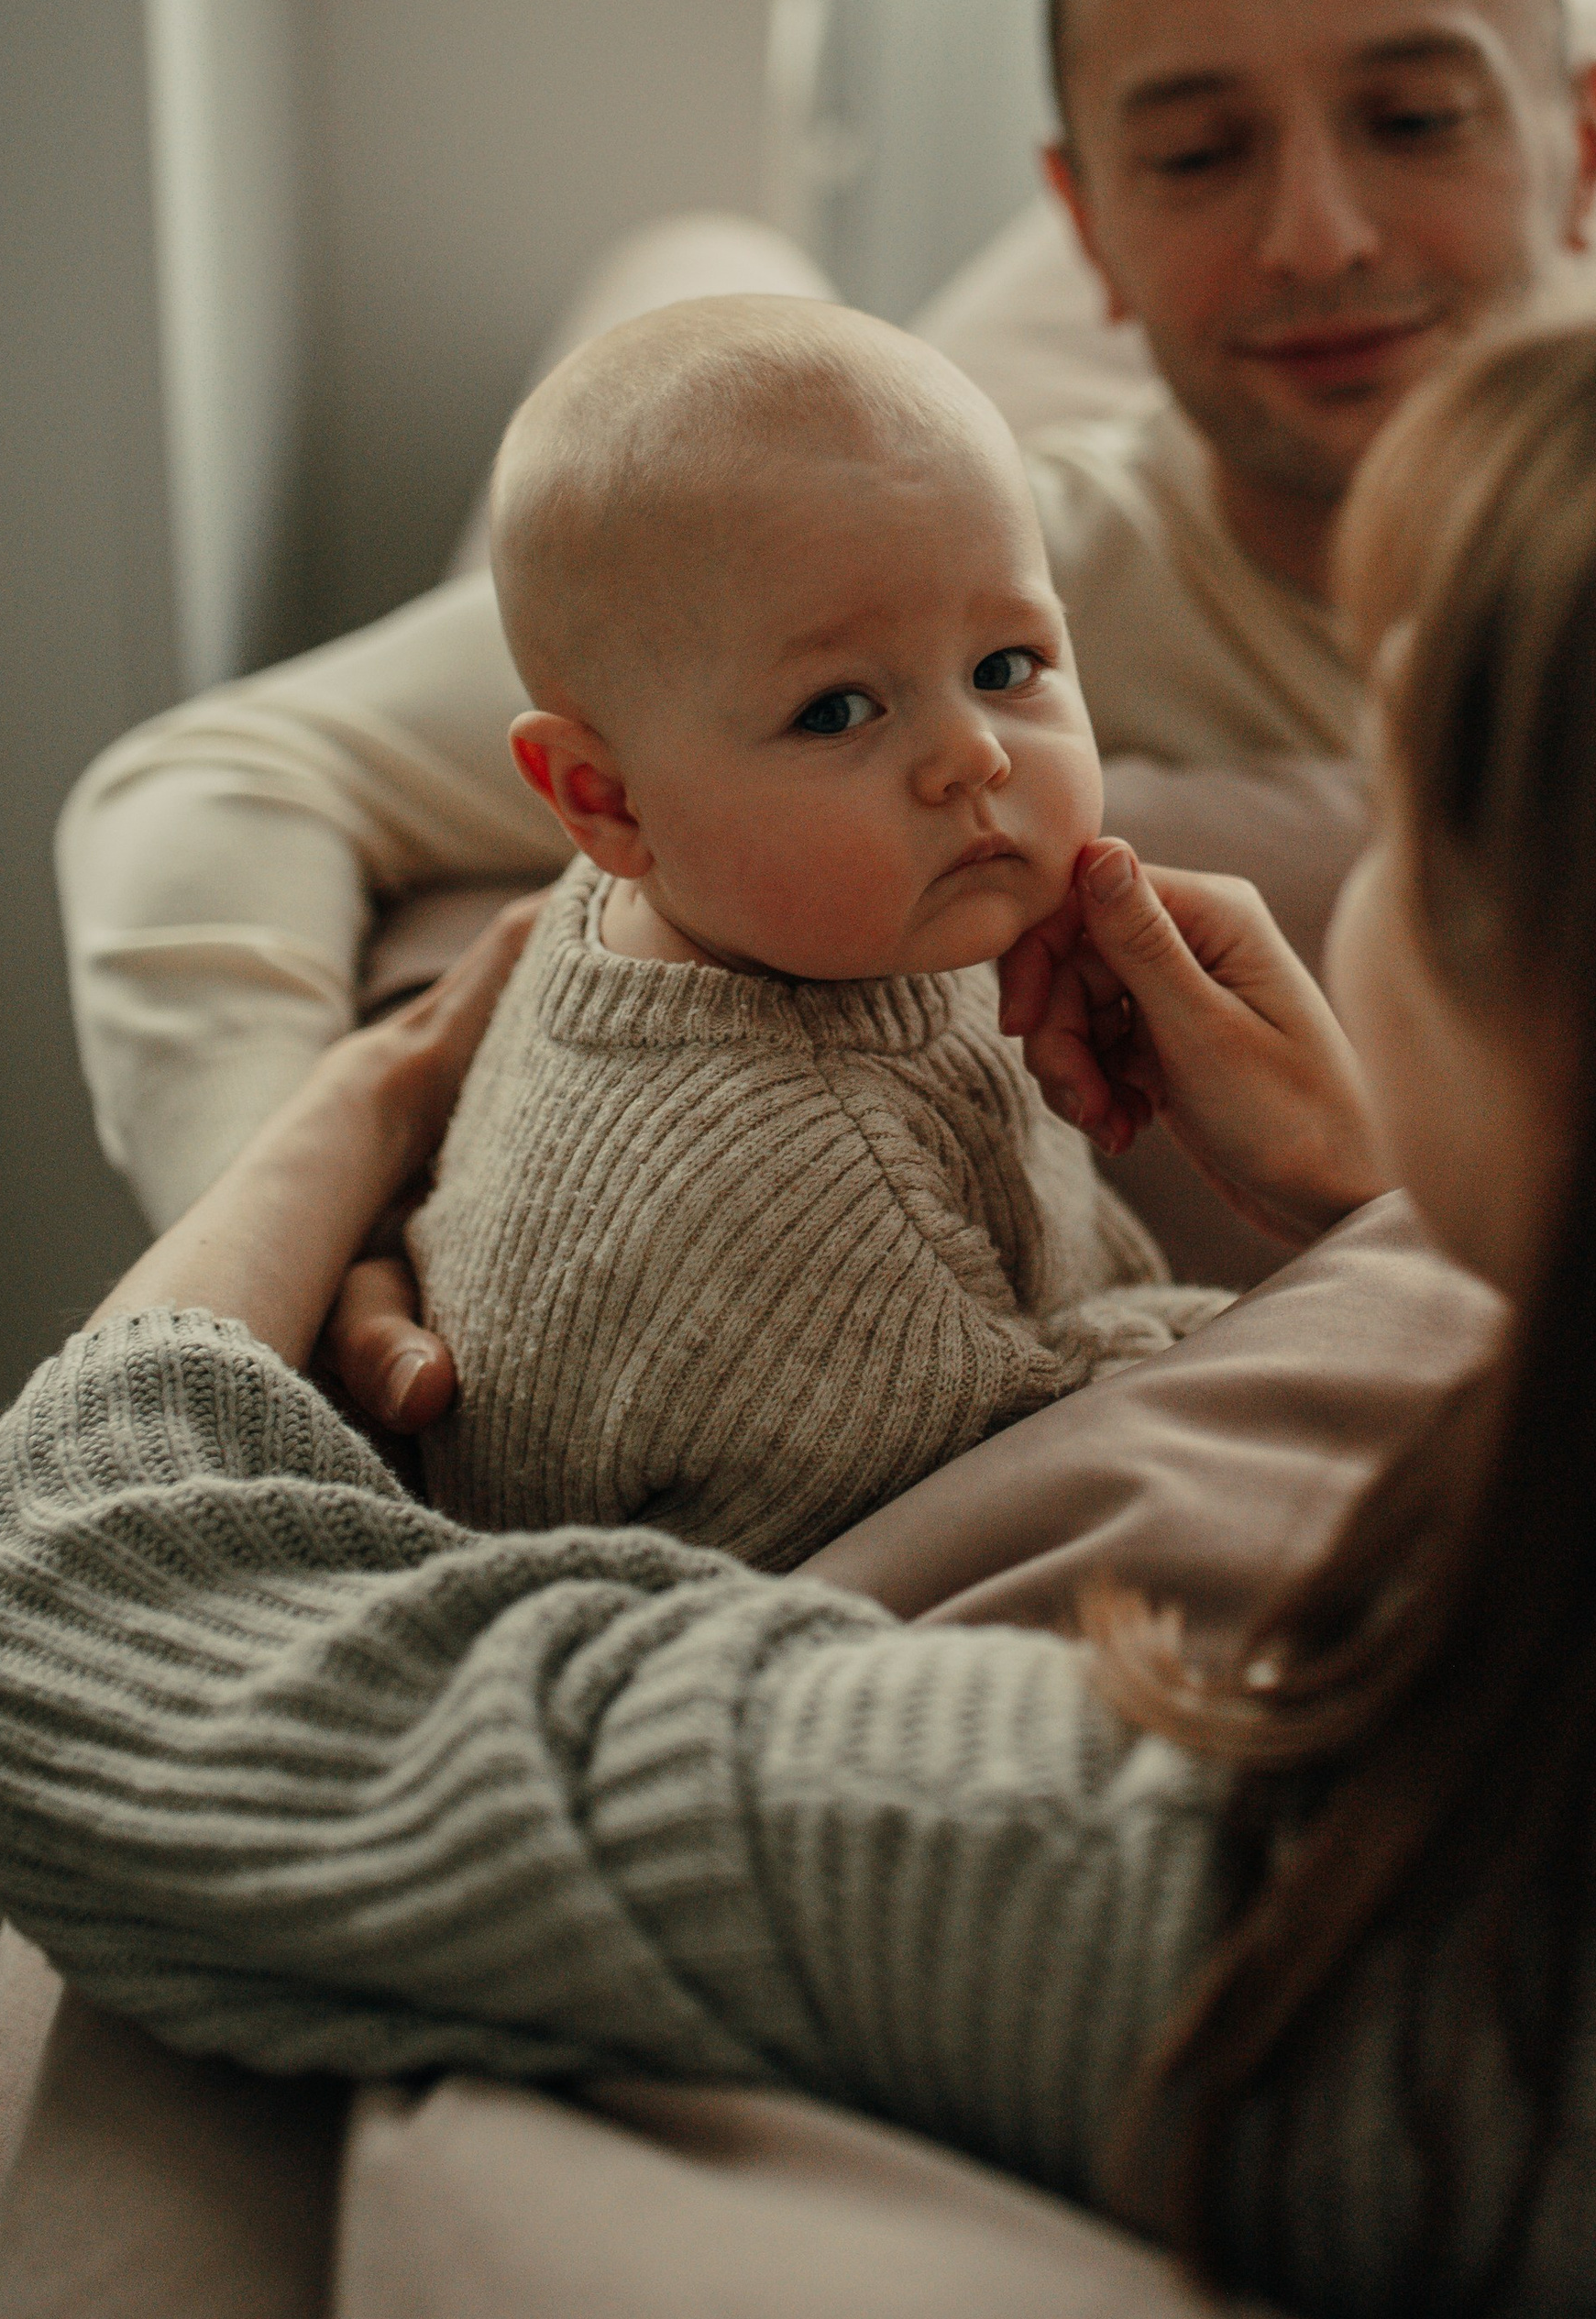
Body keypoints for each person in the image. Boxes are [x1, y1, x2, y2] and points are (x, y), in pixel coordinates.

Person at [0, 230, 1596, 2319]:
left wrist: (354, 1110)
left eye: (1392, 795)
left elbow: (63, 1615)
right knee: (690, 263)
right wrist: (1386, 1198)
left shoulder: (1356, 1952)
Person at [54, 0, 1596, 1273]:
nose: (1316, 238)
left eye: (1416, 121)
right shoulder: (977, 584)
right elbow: (217, 774)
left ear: (1585, 144)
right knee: (688, 288)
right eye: (1200, 154)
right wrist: (295, 1240)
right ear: (1087, 224)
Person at [412, 298, 1221, 1560]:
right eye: (839, 710)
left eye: (1008, 666)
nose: (972, 755)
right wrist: (1230, 1321)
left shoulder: (763, 916)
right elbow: (1023, 1523)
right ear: (605, 801)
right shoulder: (802, 1191)